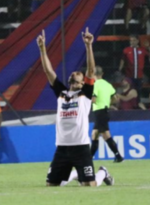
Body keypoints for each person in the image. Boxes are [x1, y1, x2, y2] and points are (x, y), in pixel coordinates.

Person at [37, 28, 114, 187]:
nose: (74, 75)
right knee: (51, 185)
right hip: (62, 147)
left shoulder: (85, 94)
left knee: (89, 185)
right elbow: (48, 71)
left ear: (81, 83)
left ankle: (103, 172)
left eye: (78, 77)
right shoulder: (61, 93)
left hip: (80, 147)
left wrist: (88, 46)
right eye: (73, 76)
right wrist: (42, 48)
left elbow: (91, 71)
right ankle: (73, 174)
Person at [90, 66, 123, 162]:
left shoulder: (95, 85)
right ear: (102, 73)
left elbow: (94, 99)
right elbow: (115, 98)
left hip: (99, 112)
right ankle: (118, 156)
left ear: (92, 74)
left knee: (98, 134)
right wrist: (108, 103)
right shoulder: (108, 85)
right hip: (104, 112)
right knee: (101, 135)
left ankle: (89, 158)